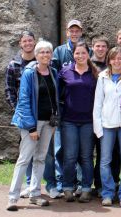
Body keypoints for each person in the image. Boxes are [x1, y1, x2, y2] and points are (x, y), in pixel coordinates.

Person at [7, 40, 59, 211]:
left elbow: (55, 98)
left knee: (41, 158)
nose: (45, 55)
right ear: (36, 55)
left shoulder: (53, 72)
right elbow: (23, 101)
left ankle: (35, 194)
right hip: (32, 123)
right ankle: (13, 197)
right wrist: (31, 127)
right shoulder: (29, 73)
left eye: (48, 52)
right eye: (42, 52)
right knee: (24, 159)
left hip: (48, 123)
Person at [46, 19, 85, 199]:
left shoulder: (87, 50)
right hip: (63, 107)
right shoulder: (59, 51)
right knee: (61, 148)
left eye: (77, 30)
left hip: (82, 109)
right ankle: (61, 181)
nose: (74, 33)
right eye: (71, 30)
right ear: (67, 32)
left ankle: (78, 182)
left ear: (81, 32)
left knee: (80, 150)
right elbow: (53, 78)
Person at [93, 47, 121, 207]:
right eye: (113, 59)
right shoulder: (102, 77)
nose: (117, 61)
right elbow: (97, 104)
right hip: (107, 125)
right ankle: (108, 193)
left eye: (120, 59)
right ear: (109, 60)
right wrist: (98, 128)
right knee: (104, 161)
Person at [59, 41, 98, 203]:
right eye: (77, 53)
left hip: (88, 121)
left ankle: (87, 188)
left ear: (88, 54)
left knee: (86, 157)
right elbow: (58, 94)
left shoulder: (95, 74)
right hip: (69, 121)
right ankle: (68, 187)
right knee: (69, 156)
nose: (80, 56)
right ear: (73, 55)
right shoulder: (65, 72)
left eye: (83, 53)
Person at [4, 31, 36, 198]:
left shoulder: (41, 62)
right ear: (20, 43)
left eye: (30, 40)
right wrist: (18, 110)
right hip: (24, 116)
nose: (28, 43)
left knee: (44, 153)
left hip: (42, 114)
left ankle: (40, 185)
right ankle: (28, 184)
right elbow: (9, 90)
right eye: (25, 41)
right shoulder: (13, 65)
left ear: (34, 42)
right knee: (27, 152)